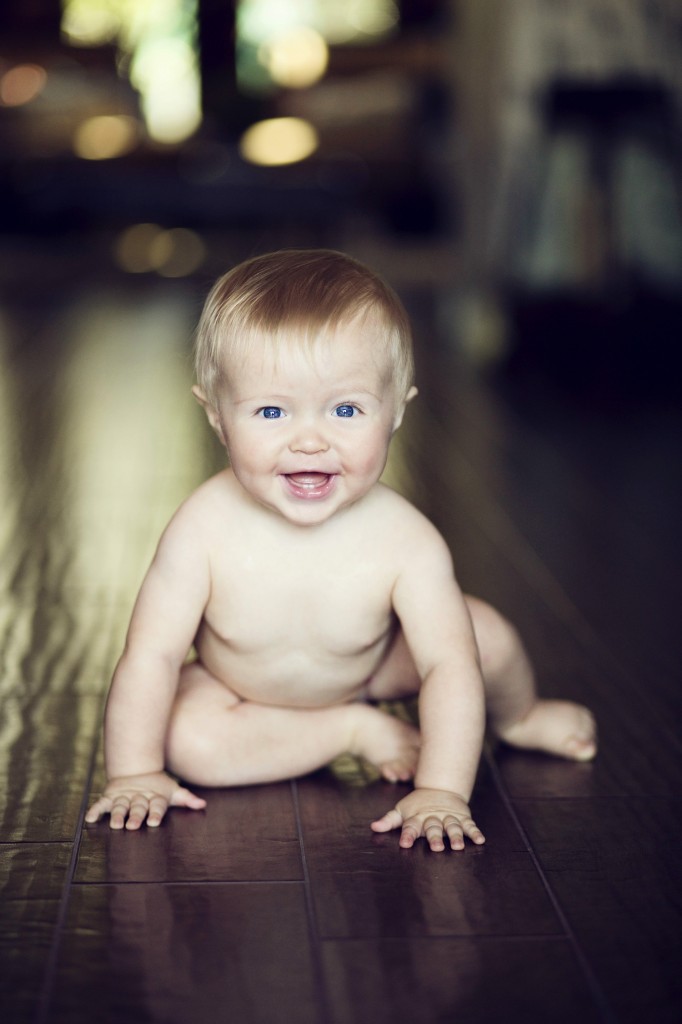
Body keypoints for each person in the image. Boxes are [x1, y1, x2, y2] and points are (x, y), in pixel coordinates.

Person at [85, 249, 597, 851]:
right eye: (271, 411)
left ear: (396, 414)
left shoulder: (406, 540)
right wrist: (136, 773)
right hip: (239, 687)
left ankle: (520, 717)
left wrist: (441, 791)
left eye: (347, 409)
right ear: (218, 417)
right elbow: (151, 655)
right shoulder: (201, 530)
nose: (309, 440)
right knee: (187, 742)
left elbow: (446, 667)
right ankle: (346, 730)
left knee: (484, 636)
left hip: (371, 666)